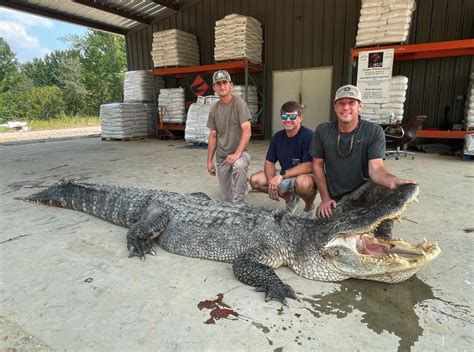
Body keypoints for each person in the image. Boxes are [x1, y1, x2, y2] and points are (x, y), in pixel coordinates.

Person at [309, 84, 416, 237]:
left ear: (360, 106)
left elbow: (377, 169)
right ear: (335, 107)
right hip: (337, 198)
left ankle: (383, 240)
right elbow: (317, 166)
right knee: (322, 233)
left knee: (385, 190)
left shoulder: (373, 131)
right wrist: (325, 198)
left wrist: (393, 181)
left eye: (351, 102)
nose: (346, 107)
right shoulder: (323, 130)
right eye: (341, 103)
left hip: (364, 193)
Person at [249, 101, 317, 218]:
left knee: (303, 183)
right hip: (285, 175)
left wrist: (280, 176)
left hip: (304, 175)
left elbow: (309, 166)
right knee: (255, 180)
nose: (288, 120)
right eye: (284, 116)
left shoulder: (309, 136)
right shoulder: (277, 137)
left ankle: (309, 207)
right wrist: (271, 181)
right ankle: (289, 197)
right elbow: (269, 162)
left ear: (300, 118)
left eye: (293, 116)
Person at [207, 70, 252, 203]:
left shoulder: (239, 104)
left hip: (240, 154)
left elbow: (247, 131)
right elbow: (213, 136)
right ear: (214, 87)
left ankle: (239, 206)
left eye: (225, 83)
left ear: (231, 85)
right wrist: (209, 161)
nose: (222, 86)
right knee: (227, 199)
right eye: (218, 84)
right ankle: (246, 185)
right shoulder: (214, 109)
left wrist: (237, 154)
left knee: (238, 166)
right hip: (222, 158)